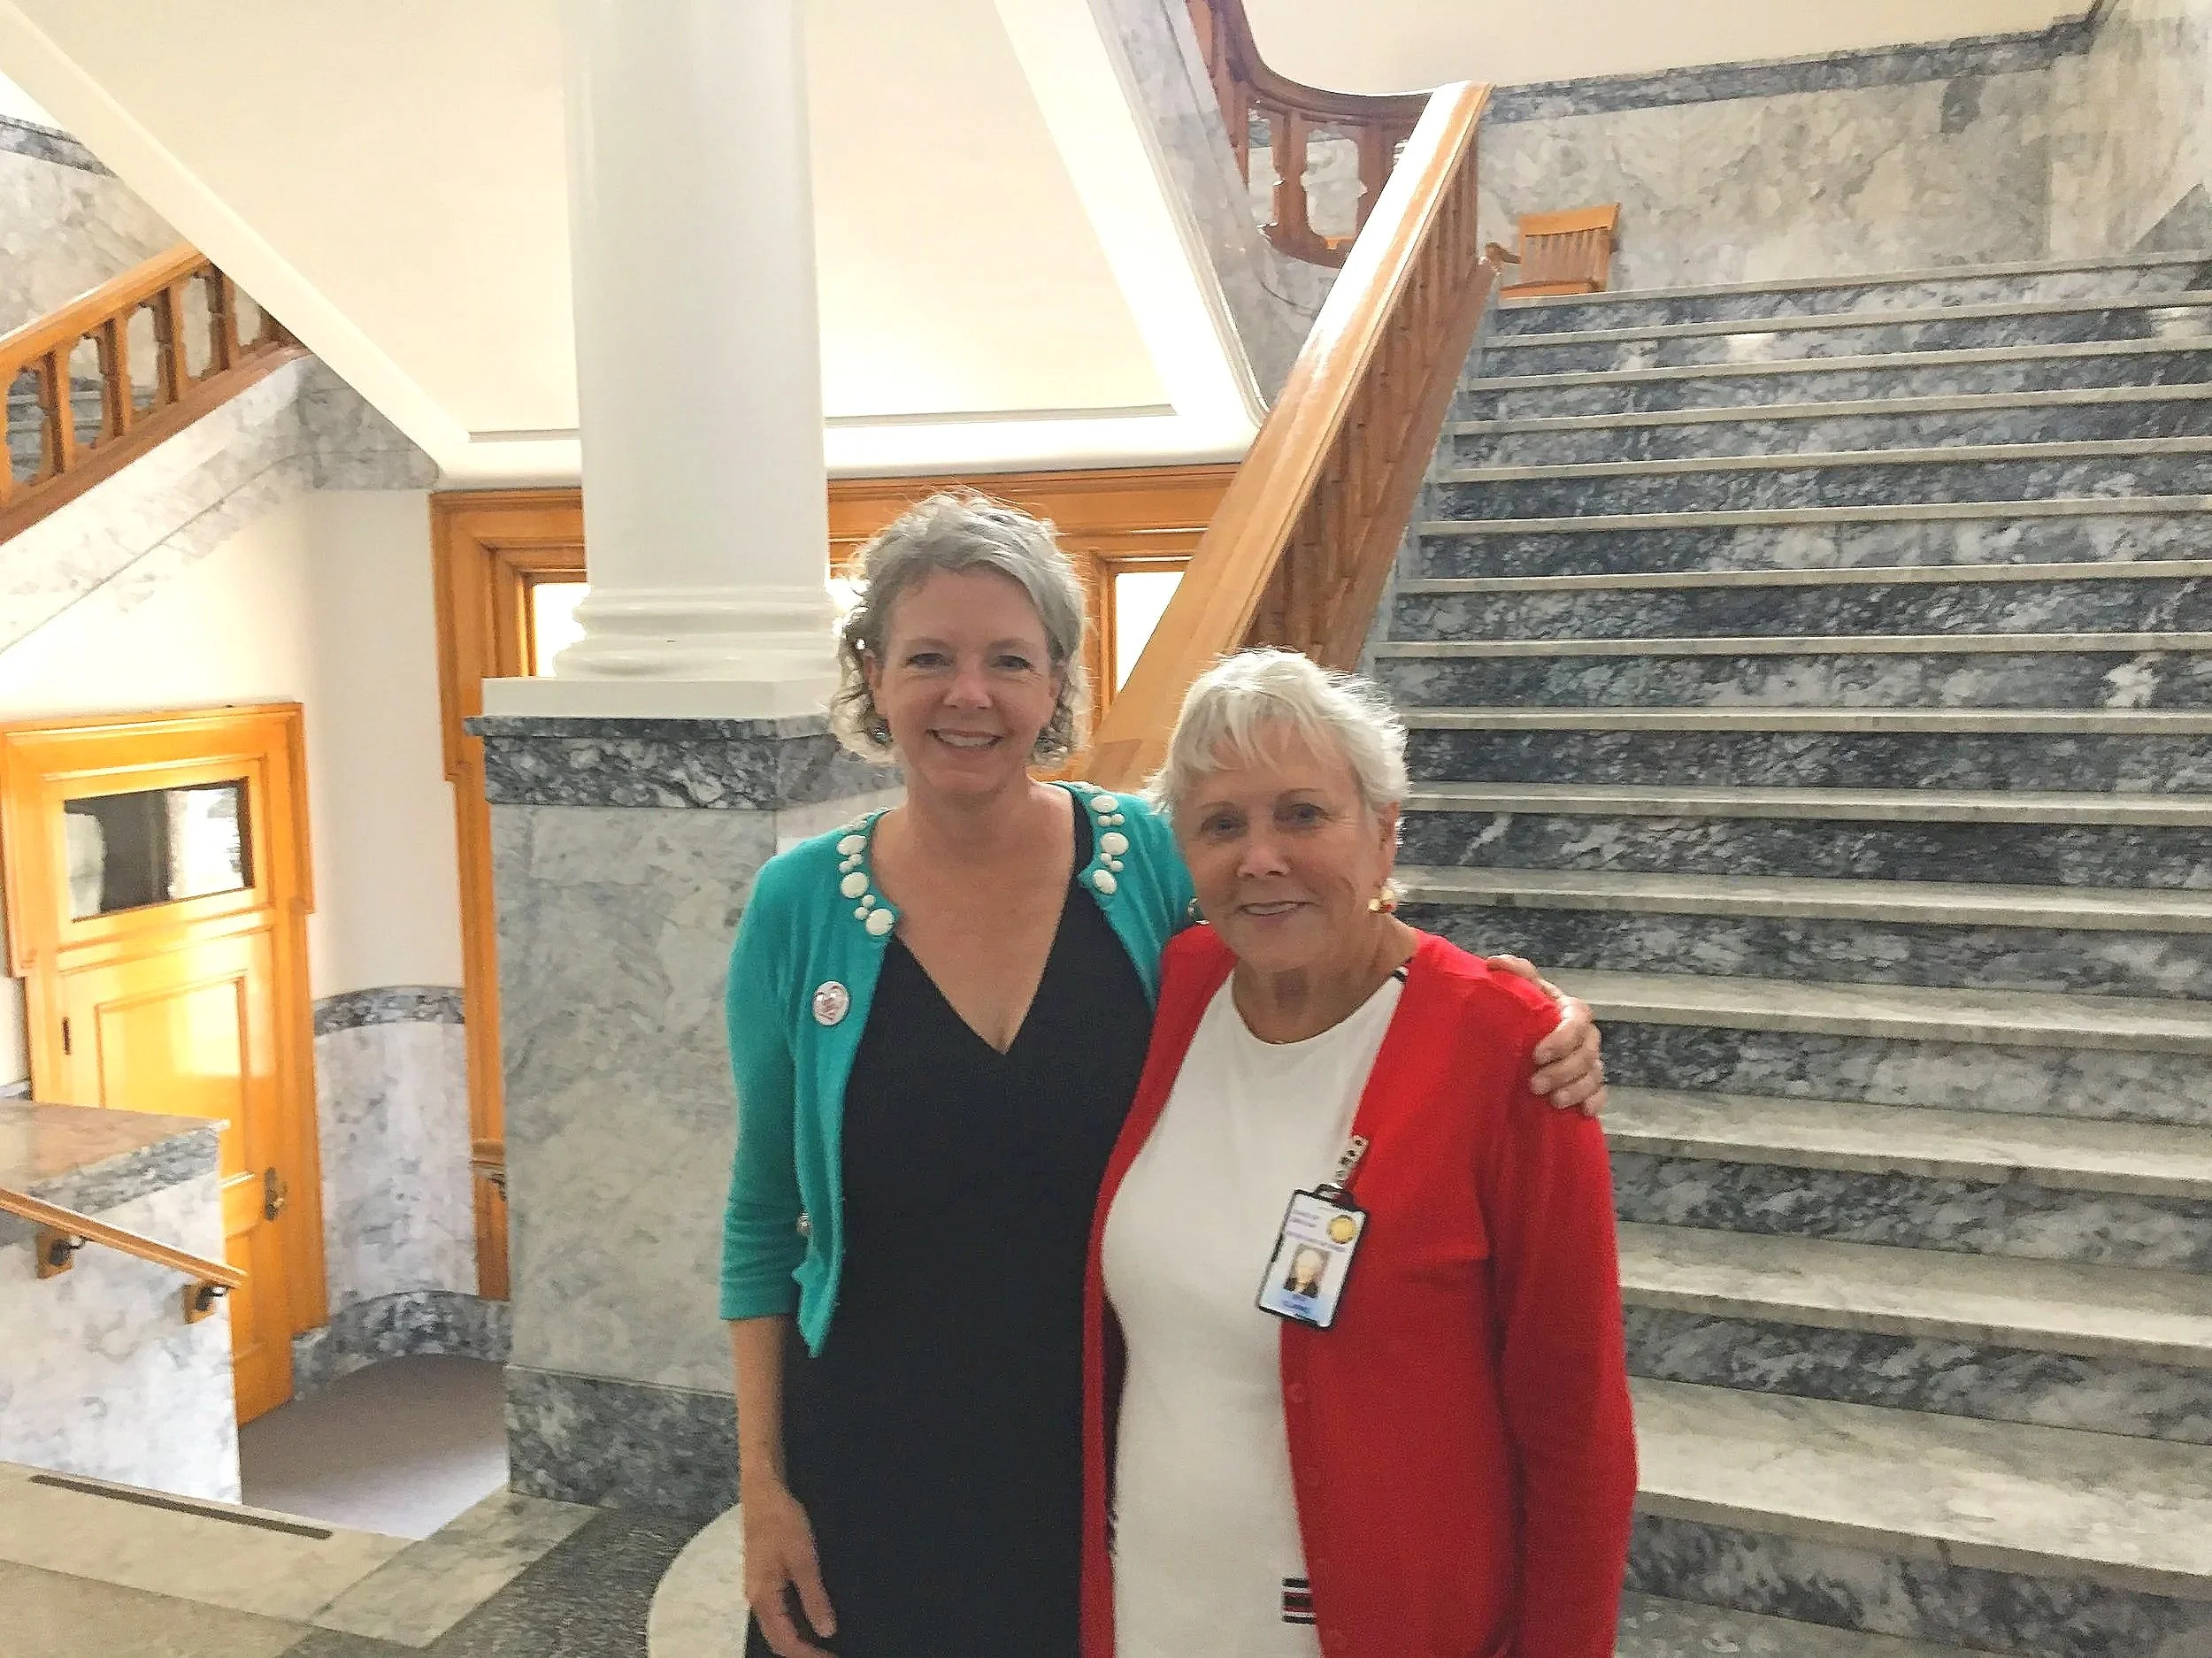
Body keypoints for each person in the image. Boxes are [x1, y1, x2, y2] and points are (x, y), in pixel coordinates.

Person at [721, 495, 1610, 1658]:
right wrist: (763, 1487)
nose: (968, 694)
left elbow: (1308, 917)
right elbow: (757, 1219)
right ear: (873, 674)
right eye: (928, 657)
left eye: (1009, 660)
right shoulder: (798, 907)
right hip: (876, 1457)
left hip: (1100, 1445)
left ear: (1056, 685)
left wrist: (1511, 1007)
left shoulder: (1138, 861)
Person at [1083, 649, 1639, 1658]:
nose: (1261, 857)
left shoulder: (1505, 1048)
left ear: (1383, 830)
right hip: (1149, 1607)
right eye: (1222, 824)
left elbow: (1578, 1432)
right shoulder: (1177, 985)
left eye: (1302, 813)